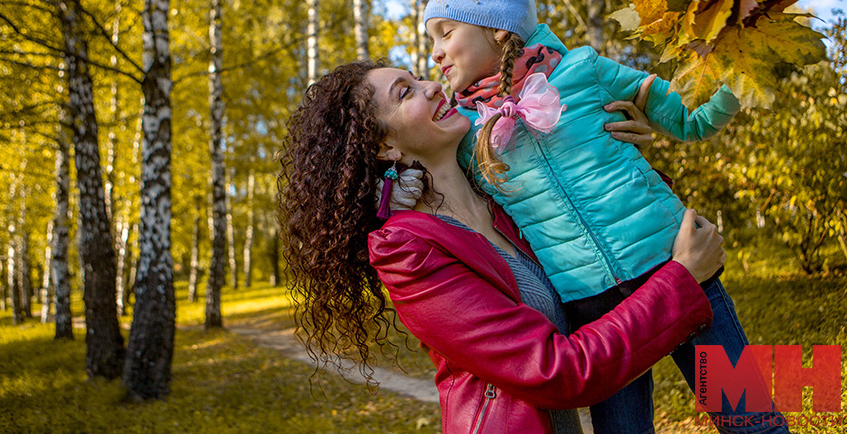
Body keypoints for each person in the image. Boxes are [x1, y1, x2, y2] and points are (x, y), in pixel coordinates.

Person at [417, 0, 787, 433]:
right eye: (432, 39)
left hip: (677, 263)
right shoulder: (463, 133)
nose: (435, 52)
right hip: (592, 309)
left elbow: (691, 118)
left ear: (498, 28)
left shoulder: (585, 71)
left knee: (751, 421)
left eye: (446, 32)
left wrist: (736, 59)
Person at [279, 59, 726, 434]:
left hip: (645, 315)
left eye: (420, 77)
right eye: (405, 92)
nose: (434, 85)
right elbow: (556, 371)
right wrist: (682, 278)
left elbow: (595, 234)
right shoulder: (406, 252)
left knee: (755, 412)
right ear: (384, 146)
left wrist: (607, 150)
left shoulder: (504, 195)